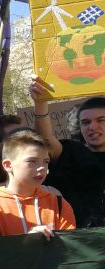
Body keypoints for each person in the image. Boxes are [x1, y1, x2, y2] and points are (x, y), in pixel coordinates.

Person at [0, 128, 76, 239]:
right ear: (8, 165)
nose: (42, 167)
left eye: (46, 161)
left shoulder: (58, 203)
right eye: (32, 161)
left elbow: (69, 248)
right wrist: (26, 244)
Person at [29, 79, 105, 228]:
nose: (92, 127)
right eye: (85, 122)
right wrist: (40, 104)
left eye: (101, 120)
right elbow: (46, 141)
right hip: (81, 241)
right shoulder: (73, 152)